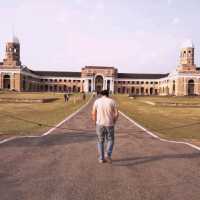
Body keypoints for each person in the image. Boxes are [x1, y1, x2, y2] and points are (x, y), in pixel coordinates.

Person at [92, 90, 119, 164]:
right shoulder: (112, 101)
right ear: (108, 94)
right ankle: (108, 154)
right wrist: (114, 121)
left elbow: (93, 113)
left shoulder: (97, 101)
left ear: (101, 94)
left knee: (100, 141)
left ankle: (101, 158)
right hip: (109, 124)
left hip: (99, 124)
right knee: (110, 140)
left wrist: (95, 122)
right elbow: (116, 114)